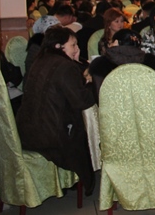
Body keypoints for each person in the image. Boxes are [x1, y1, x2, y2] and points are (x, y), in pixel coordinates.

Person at [16, 26, 96, 195]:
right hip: (49, 136)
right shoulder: (65, 66)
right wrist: (90, 83)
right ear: (59, 46)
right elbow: (82, 101)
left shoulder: (40, 60)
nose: (77, 49)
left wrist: (76, 61)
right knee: (82, 133)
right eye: (73, 45)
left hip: (26, 131)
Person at [88, 29, 155, 101]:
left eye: (111, 42)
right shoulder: (149, 62)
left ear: (116, 42)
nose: (109, 45)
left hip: (112, 106)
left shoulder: (100, 64)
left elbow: (99, 96)